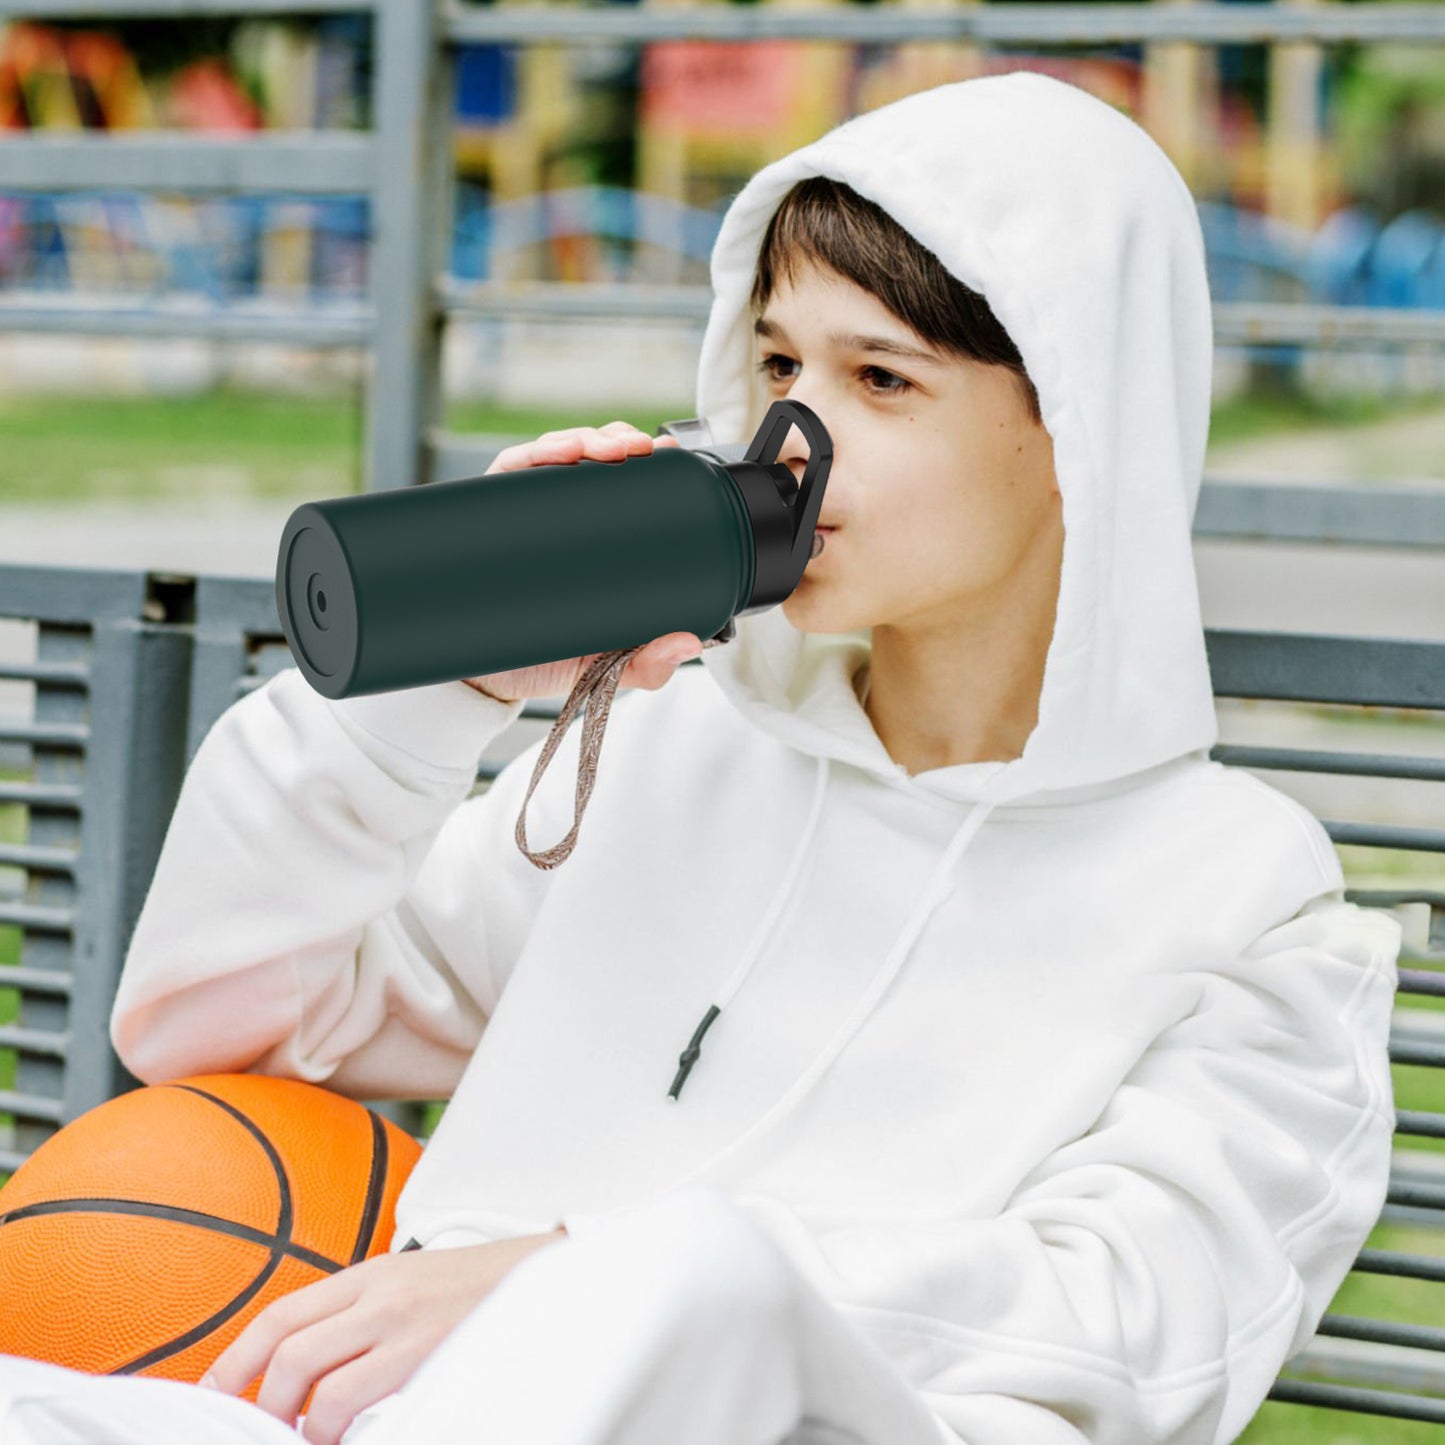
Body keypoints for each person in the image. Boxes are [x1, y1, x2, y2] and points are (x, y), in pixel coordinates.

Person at [0, 69, 1402, 1445]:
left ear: (1072, 433)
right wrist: (443, 686)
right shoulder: (679, 750)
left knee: (700, 1274)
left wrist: (577, 1274)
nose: (791, 436)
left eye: (880, 377)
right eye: (781, 361)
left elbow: (1136, 1318)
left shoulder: (1250, 901)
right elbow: (204, 1026)